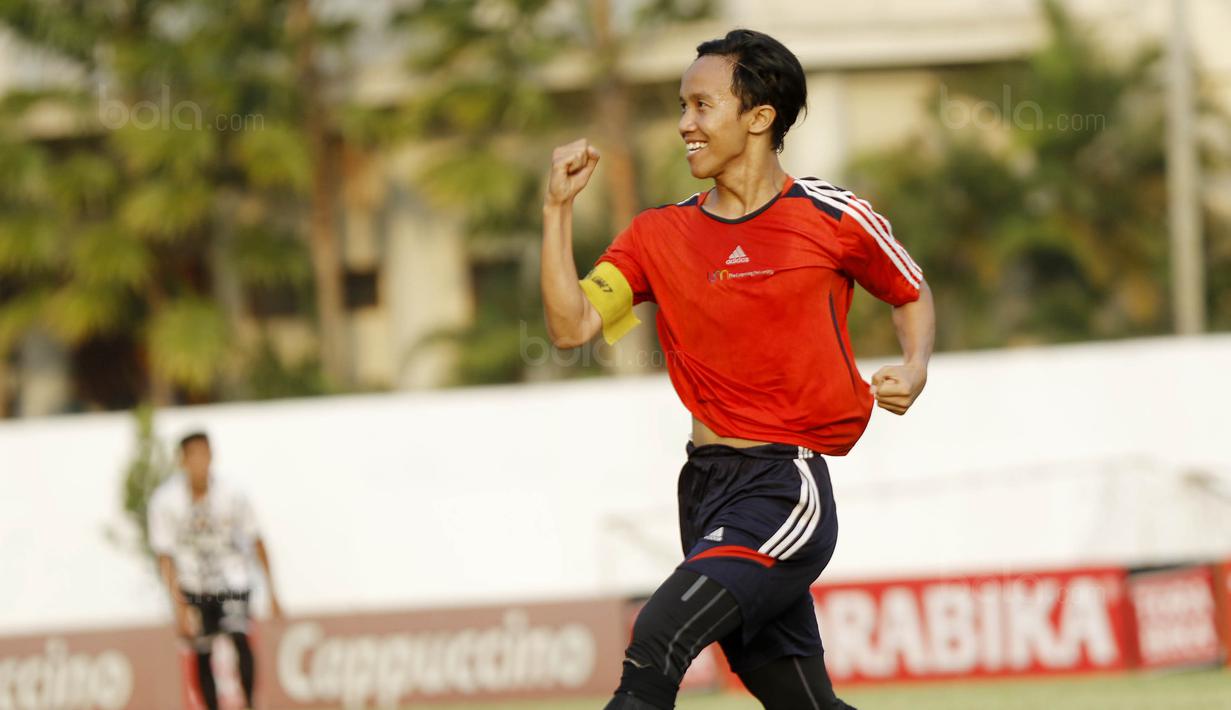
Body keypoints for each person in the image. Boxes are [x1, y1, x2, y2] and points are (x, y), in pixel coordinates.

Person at [540, 29, 935, 710]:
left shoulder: (828, 216)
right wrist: (556, 210)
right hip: (703, 490)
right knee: (800, 703)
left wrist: (914, 365)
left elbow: (908, 289)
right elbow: (572, 324)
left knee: (658, 639)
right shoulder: (656, 235)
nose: (684, 125)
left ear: (758, 117)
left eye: (701, 106)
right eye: (682, 107)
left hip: (782, 488)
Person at [148, 431, 283, 710]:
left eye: (205, 454)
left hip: (232, 578)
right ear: (182, 461)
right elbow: (165, 557)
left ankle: (249, 704)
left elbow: (256, 539)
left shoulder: (233, 494)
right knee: (202, 651)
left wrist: (273, 591)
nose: (201, 463)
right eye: (194, 456)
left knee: (239, 637)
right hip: (193, 584)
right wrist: (179, 606)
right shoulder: (165, 501)